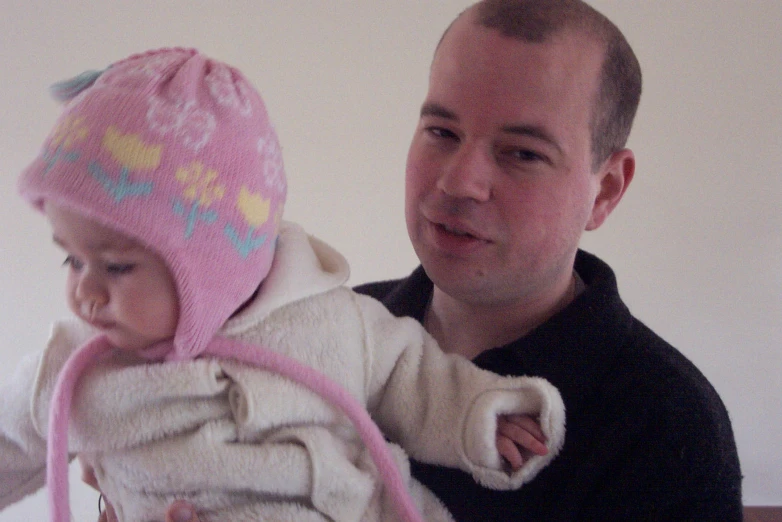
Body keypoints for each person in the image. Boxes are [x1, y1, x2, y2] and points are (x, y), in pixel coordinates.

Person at [93, 0, 746, 519]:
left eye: (521, 152)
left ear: (604, 189)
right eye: (441, 132)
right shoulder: (320, 321)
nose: (459, 181)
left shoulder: (667, 430)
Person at [0, 47, 568, 522]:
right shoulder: (71, 371)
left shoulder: (327, 320)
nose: (86, 294)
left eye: (116, 266)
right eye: (71, 262)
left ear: (212, 263)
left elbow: (411, 376)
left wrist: (479, 414)